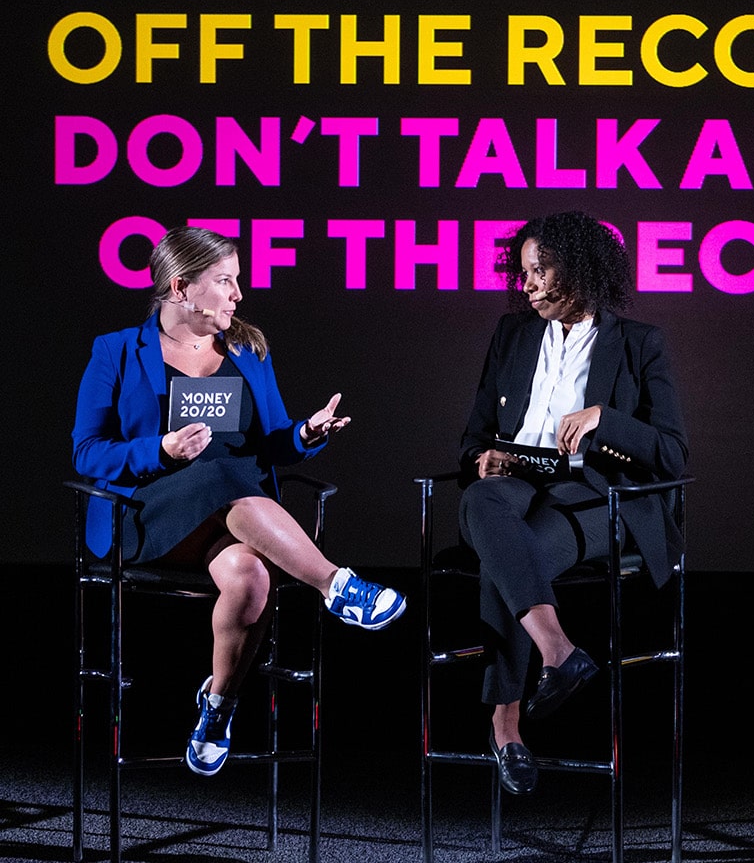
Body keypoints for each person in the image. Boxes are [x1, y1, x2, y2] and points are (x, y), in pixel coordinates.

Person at [72, 225, 406, 778]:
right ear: (181, 287)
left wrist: (306, 433)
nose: (238, 294)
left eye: (237, 280)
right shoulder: (117, 351)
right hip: (149, 516)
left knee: (250, 579)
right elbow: (87, 452)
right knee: (222, 473)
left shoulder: (248, 350)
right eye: (225, 281)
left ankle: (218, 706)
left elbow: (272, 443)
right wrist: (159, 449)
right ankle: (336, 585)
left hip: (236, 518)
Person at [456, 210, 688, 796]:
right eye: (523, 272)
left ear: (579, 269)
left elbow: (672, 453)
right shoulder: (512, 334)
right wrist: (482, 458)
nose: (528, 285)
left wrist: (605, 420)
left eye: (541, 271)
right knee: (483, 502)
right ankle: (557, 650)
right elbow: (473, 436)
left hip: (594, 493)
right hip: (516, 480)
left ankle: (505, 726)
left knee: (507, 555)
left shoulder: (638, 343)